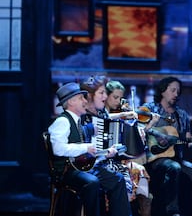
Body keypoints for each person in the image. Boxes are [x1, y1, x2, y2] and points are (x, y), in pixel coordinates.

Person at [47, 82, 131, 216]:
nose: (85, 101)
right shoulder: (62, 121)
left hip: (80, 166)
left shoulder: (77, 121)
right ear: (71, 102)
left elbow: (83, 153)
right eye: (81, 98)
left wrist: (105, 154)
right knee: (92, 182)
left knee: (117, 179)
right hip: (66, 172)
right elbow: (58, 149)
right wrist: (86, 147)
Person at [142, 76, 192, 216]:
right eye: (173, 90)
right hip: (152, 159)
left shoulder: (182, 115)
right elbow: (137, 129)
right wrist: (156, 134)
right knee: (173, 167)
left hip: (176, 158)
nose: (176, 94)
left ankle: (186, 204)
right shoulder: (150, 109)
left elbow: (188, 141)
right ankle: (172, 211)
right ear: (163, 91)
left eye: (178, 91)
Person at [105, 79, 152, 216]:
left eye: (120, 98)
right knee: (131, 171)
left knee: (141, 173)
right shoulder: (101, 114)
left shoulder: (122, 114)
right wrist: (123, 114)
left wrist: (139, 129)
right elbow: (104, 118)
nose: (119, 101)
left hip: (122, 160)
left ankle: (144, 209)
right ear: (105, 96)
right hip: (106, 161)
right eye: (115, 97)